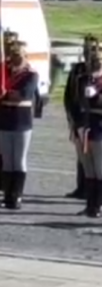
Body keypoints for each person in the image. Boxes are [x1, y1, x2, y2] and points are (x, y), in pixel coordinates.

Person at [0, 40, 38, 210]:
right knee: (7, 160)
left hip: (21, 119)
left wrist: (8, 94)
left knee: (18, 159)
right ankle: (7, 195)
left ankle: (17, 196)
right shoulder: (5, 73)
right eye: (12, 55)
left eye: (18, 55)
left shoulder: (30, 74)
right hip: (5, 117)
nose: (15, 58)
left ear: (25, 56)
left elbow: (25, 94)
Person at [64, 35, 98, 201]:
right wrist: (70, 116)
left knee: (95, 160)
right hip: (78, 118)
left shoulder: (98, 73)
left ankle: (94, 197)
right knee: (82, 158)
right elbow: (69, 94)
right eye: (86, 49)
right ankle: (82, 188)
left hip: (93, 120)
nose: (88, 52)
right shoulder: (78, 69)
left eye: (92, 49)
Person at [75, 41, 102, 217]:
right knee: (89, 170)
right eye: (93, 60)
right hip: (85, 127)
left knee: (100, 170)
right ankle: (90, 205)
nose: (96, 63)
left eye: (98, 59)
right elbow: (76, 101)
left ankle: (98, 205)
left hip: (100, 128)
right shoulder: (82, 79)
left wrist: (98, 96)